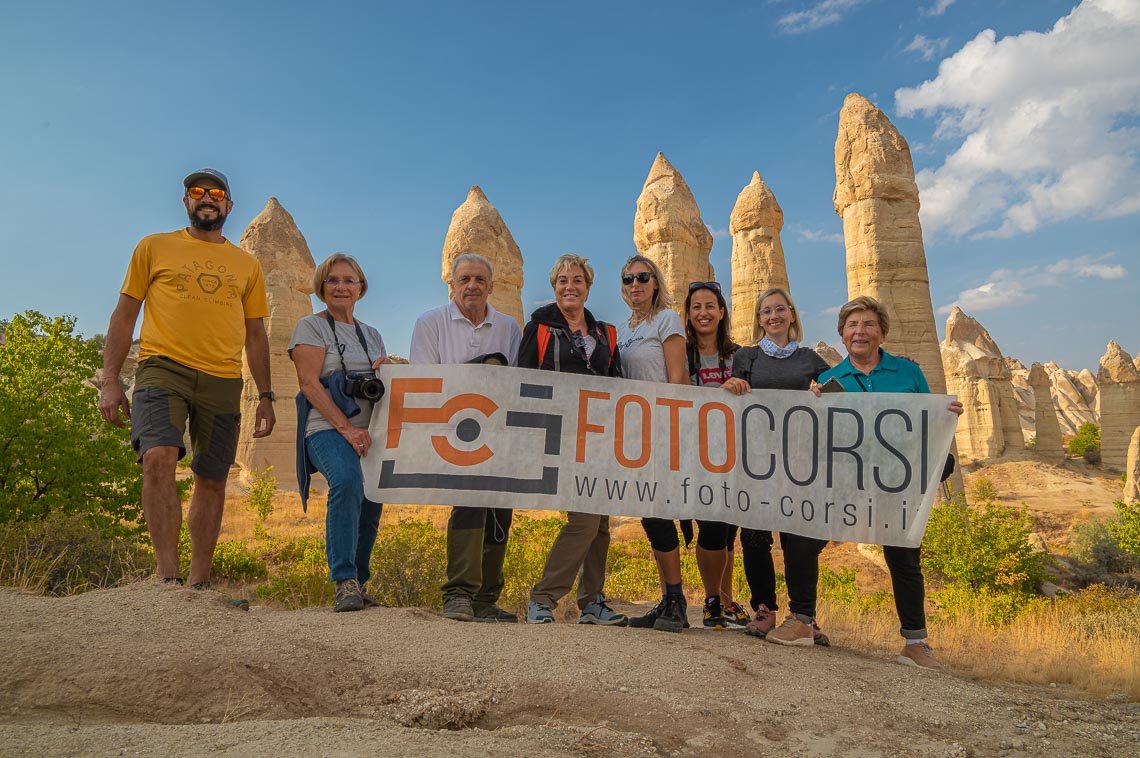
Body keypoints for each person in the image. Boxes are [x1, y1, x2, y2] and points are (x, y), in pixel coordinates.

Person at [99, 168, 275, 589]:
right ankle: (168, 579)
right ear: (186, 202)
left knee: (212, 478)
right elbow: (125, 316)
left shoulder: (246, 265)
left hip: (222, 378)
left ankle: (198, 584)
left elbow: (256, 334)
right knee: (158, 457)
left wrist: (266, 394)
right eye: (198, 192)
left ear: (229, 205)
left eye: (216, 193)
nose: (207, 198)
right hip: (163, 368)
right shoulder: (154, 247)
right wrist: (110, 379)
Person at [770, 295, 963, 671]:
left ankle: (915, 642)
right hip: (845, 479)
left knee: (903, 555)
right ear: (842, 335)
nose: (860, 331)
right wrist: (815, 404)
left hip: (893, 479)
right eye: (852, 325)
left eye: (868, 324)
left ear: (881, 333)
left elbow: (926, 420)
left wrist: (945, 415)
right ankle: (802, 621)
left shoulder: (908, 374)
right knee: (802, 536)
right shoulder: (829, 381)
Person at [409, 253, 523, 622]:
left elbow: (518, 383)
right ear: (452, 284)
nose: (471, 286)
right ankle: (458, 593)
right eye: (464, 280)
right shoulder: (430, 323)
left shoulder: (509, 328)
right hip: (452, 431)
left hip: (499, 431)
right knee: (470, 502)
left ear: (491, 286)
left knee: (500, 507)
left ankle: (486, 598)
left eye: (479, 280)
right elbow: (423, 380)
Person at [521, 254, 627, 626]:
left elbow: (616, 384)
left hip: (598, 437)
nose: (570, 286)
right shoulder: (539, 328)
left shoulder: (605, 334)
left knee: (600, 522)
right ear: (554, 287)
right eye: (563, 280)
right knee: (584, 518)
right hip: (559, 435)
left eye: (578, 280)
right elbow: (522, 381)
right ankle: (543, 597)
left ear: (588, 287)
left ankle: (593, 601)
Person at [722, 287, 832, 642]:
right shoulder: (747, 356)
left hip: (800, 460)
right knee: (755, 536)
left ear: (792, 315)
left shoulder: (810, 359)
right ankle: (764, 610)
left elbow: (843, 395)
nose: (774, 316)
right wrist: (734, 384)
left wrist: (821, 392)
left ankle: (804, 615)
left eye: (780, 309)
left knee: (799, 536)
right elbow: (736, 392)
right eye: (766, 311)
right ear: (758, 319)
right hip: (757, 458)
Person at [289, 254, 388, 612]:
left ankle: (359, 583)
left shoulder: (371, 334)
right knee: (346, 482)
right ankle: (344, 579)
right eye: (333, 280)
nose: (341, 287)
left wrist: (389, 370)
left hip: (370, 430)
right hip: (325, 428)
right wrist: (346, 429)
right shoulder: (310, 327)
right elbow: (309, 383)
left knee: (373, 496)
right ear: (321, 287)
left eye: (349, 280)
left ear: (360, 288)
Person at [614, 254, 690, 633]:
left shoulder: (667, 320)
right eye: (628, 280)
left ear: (656, 281)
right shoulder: (624, 329)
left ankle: (676, 599)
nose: (635, 284)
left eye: (643, 277)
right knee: (648, 513)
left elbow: (678, 380)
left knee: (659, 511)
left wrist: (670, 430)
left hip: (661, 429)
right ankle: (667, 601)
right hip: (633, 434)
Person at [683, 281, 750, 629]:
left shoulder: (741, 356)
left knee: (728, 532)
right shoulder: (681, 355)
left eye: (710, 306)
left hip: (734, 454)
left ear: (722, 312)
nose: (703, 313)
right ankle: (711, 600)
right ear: (688, 314)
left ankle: (725, 600)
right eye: (696, 307)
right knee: (709, 527)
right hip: (696, 455)